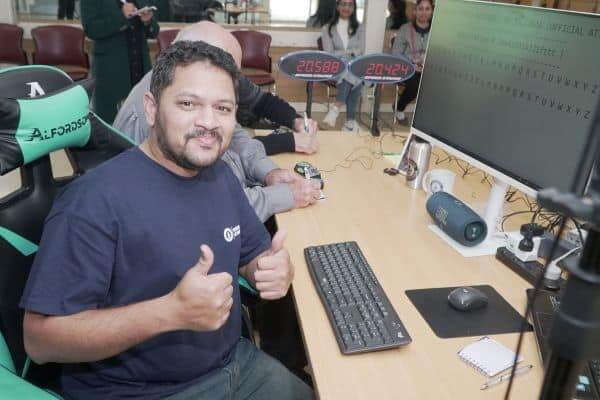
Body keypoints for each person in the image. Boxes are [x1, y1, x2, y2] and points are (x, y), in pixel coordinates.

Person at [20, 40, 314, 400]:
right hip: (140, 392)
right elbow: (39, 341)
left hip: (235, 364)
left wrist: (270, 269)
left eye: (222, 108)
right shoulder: (93, 201)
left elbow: (254, 255)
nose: (208, 122)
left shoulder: (220, 176)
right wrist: (170, 313)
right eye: (188, 104)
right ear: (151, 108)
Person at [114, 22, 322, 223]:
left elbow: (238, 136)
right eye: (188, 103)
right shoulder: (163, 119)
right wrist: (281, 196)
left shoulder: (191, 86)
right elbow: (209, 210)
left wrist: (268, 172)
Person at [80, 0, 159, 124]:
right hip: (111, 70)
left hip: (140, 70)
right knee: (111, 123)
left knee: (142, 122)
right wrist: (121, 16)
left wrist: (147, 20)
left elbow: (153, 32)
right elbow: (91, 29)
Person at [320, 0, 365, 133]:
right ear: (337, 6)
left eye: (350, 4)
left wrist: (346, 55)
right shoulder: (326, 28)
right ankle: (350, 121)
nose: (346, 7)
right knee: (355, 74)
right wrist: (348, 54)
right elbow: (329, 54)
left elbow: (360, 50)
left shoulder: (360, 28)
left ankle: (336, 109)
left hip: (352, 65)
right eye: (343, 4)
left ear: (354, 8)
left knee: (353, 72)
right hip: (335, 66)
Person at [391, 0, 433, 122]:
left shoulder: (437, 29)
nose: (423, 12)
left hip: (429, 69)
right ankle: (399, 108)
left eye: (427, 9)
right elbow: (396, 53)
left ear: (431, 11)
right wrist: (413, 64)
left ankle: (424, 115)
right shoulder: (405, 29)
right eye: (420, 9)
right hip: (406, 68)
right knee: (418, 83)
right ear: (415, 11)